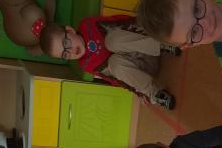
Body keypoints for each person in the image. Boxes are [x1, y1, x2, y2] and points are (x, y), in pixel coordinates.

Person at [39, 18, 180, 109]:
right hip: (144, 68)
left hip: (146, 44)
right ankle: (155, 93)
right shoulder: (86, 65)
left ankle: (162, 45)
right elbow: (114, 79)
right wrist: (137, 92)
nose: (70, 51)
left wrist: (147, 24)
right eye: (65, 54)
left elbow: (121, 21)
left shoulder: (88, 25)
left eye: (66, 43)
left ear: (70, 30)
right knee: (114, 64)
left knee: (111, 41)